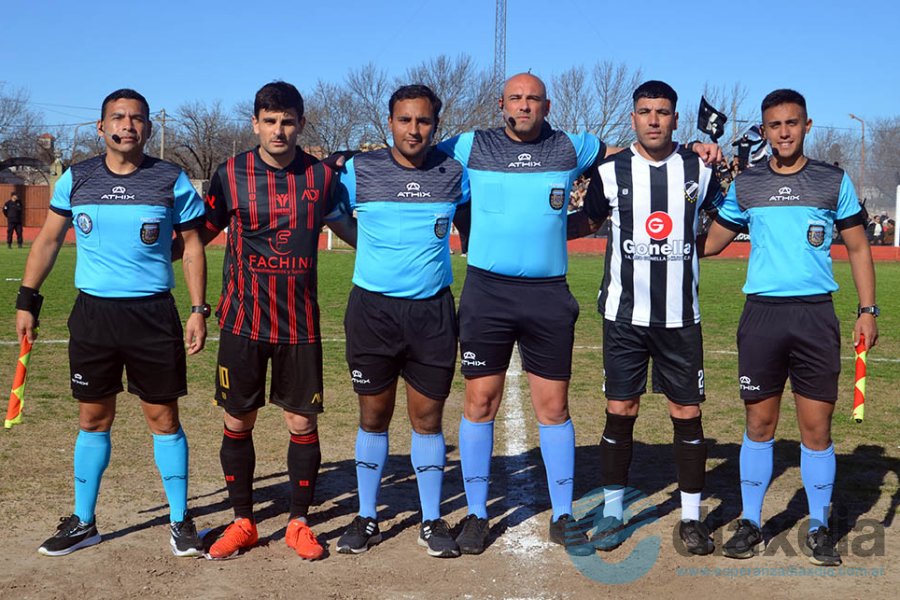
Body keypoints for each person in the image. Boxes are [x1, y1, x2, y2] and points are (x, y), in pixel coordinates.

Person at [437, 72, 722, 554]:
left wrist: (698, 147)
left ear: (547, 105)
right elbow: (415, 155)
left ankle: (564, 513)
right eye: (516, 98)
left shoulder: (575, 146)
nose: (524, 106)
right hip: (486, 292)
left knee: (554, 408)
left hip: (549, 294)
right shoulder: (467, 145)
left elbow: (629, 156)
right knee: (479, 403)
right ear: (500, 103)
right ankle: (478, 514)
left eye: (533, 99)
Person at [16, 88, 208, 557]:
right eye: (118, 117)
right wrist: (28, 300)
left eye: (137, 118)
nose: (128, 125)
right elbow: (47, 242)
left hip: (152, 316)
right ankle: (84, 521)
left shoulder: (170, 179)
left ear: (149, 127)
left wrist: (198, 309)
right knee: (92, 417)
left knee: (163, 418)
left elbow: (194, 247)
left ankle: (181, 521)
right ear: (101, 127)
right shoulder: (77, 179)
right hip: (94, 316)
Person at [701, 89, 878, 566]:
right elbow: (711, 242)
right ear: (764, 131)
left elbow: (859, 248)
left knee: (815, 429)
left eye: (792, 123)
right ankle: (752, 521)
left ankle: (820, 527)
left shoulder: (831, 181)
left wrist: (868, 310)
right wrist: (688, 199)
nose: (783, 132)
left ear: (807, 125)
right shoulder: (747, 184)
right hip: (761, 316)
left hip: (815, 316)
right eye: (774, 125)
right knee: (759, 423)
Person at [200, 82, 356, 561]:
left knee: (300, 419)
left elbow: (355, 233)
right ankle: (243, 520)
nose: (279, 130)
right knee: (237, 419)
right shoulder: (229, 173)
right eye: (269, 121)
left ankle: (298, 523)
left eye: (288, 121)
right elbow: (197, 238)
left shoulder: (322, 178)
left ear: (301, 124)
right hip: (242, 321)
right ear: (255, 124)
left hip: (299, 324)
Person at [572, 80, 722, 555]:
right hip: (624, 316)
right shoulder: (609, 171)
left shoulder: (701, 167)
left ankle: (693, 519)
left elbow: (729, 219)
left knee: (687, 413)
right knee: (621, 411)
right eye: (644, 111)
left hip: (682, 318)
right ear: (632, 117)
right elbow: (587, 224)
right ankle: (614, 512)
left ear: (676, 119)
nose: (654, 119)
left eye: (662, 112)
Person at [332, 85, 468, 558]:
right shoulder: (359, 171)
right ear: (389, 122)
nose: (414, 129)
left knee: (427, 419)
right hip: (373, 312)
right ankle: (367, 515)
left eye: (424, 121)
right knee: (373, 415)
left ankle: (431, 520)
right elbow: (333, 212)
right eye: (405, 120)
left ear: (436, 125)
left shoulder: (455, 174)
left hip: (431, 313)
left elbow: (473, 220)